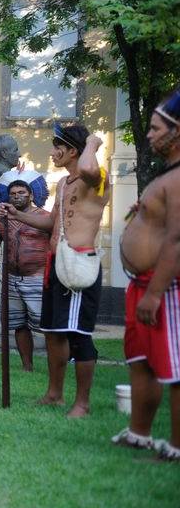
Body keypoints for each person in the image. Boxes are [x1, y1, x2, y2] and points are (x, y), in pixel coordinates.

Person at [7, 123, 109, 417]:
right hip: (54, 265)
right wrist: (19, 215)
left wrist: (92, 142)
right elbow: (53, 223)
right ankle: (54, 395)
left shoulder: (96, 177)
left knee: (77, 335)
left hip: (79, 265)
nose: (52, 153)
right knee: (52, 332)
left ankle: (83, 403)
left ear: (73, 150)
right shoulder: (63, 184)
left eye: (57, 147)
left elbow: (89, 167)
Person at [114, 89, 180, 461]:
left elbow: (176, 239)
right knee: (140, 360)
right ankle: (139, 433)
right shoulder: (165, 176)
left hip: (164, 287)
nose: (150, 135)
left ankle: (176, 446)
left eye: (156, 129)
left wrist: (156, 293)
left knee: (173, 368)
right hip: (141, 284)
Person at [0, 170, 51, 371]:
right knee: (19, 324)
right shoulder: (2, 221)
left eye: (21, 193)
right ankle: (27, 366)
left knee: (48, 327)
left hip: (38, 278)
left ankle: (56, 365)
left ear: (31, 195)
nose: (17, 196)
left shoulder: (44, 218)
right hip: (12, 279)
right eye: (13, 194)